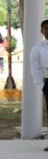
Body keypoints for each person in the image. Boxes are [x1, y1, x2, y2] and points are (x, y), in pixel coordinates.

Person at [29, 19, 48, 151]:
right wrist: (41, 85)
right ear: (41, 31)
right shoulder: (37, 49)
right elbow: (35, 68)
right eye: (46, 28)